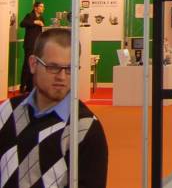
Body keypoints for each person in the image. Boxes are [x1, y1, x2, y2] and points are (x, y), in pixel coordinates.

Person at [0, 28, 108, 188]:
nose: (62, 77)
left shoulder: (85, 128)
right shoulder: (6, 111)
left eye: (70, 69)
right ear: (33, 64)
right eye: (52, 67)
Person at [19, 1, 45, 92]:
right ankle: (22, 86)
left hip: (37, 45)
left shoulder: (41, 18)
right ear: (35, 8)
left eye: (43, 6)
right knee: (27, 65)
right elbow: (22, 24)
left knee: (34, 65)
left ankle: (30, 86)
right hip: (29, 45)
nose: (42, 8)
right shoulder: (30, 15)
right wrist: (35, 22)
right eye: (41, 6)